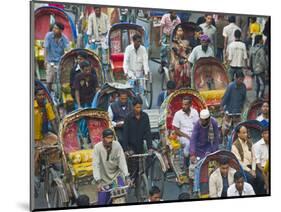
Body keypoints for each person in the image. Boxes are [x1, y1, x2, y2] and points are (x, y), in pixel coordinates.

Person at [93, 128, 131, 205]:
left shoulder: (117, 145)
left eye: (111, 138)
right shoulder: (97, 148)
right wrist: (98, 181)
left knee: (122, 196)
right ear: (103, 138)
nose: (110, 140)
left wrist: (127, 176)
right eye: (108, 138)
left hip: (116, 177)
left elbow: (122, 161)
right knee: (102, 202)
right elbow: (95, 165)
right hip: (103, 180)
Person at [189, 109, 220, 194]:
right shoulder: (197, 124)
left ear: (208, 119)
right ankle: (194, 188)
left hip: (209, 148)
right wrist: (192, 153)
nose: (201, 121)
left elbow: (216, 139)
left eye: (203, 120)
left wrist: (211, 151)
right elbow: (193, 139)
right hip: (198, 149)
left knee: (212, 169)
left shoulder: (213, 123)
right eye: (201, 120)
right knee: (194, 169)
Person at [231, 125, 265, 195]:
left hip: (252, 166)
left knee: (261, 178)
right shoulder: (235, 145)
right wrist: (250, 171)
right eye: (243, 133)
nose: (246, 134)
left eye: (246, 132)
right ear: (238, 134)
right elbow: (239, 162)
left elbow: (254, 157)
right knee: (251, 179)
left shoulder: (250, 142)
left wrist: (253, 169)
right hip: (243, 168)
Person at [34, 87, 58, 177]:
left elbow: (52, 121)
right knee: (35, 160)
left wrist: (58, 134)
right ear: (35, 96)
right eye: (39, 95)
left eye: (43, 95)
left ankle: (52, 162)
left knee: (56, 141)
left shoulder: (47, 105)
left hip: (44, 135)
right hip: (34, 138)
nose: (42, 97)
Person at [44, 22, 70, 92]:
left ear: (61, 31)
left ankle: (60, 95)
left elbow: (68, 50)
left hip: (60, 61)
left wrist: (65, 62)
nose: (54, 30)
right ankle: (48, 94)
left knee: (61, 80)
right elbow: (46, 48)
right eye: (54, 28)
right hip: (50, 60)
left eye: (56, 28)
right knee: (49, 79)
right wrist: (45, 60)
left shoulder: (65, 39)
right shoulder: (48, 35)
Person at [172, 96, 199, 161]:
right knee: (188, 143)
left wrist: (195, 135)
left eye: (186, 105)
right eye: (183, 104)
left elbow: (198, 125)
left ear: (190, 105)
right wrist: (187, 136)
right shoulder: (178, 114)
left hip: (194, 134)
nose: (183, 106)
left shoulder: (194, 112)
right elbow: (176, 130)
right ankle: (186, 159)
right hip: (183, 136)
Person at [250, 35, 268, 100]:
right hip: (261, 69)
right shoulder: (261, 50)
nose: (263, 40)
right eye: (262, 39)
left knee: (257, 83)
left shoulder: (252, 49)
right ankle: (261, 96)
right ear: (260, 40)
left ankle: (257, 96)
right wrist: (266, 68)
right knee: (263, 83)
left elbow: (250, 59)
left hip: (255, 69)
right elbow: (263, 60)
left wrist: (251, 68)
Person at [253, 127, 269, 193]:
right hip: (261, 167)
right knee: (261, 178)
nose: (268, 135)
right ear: (262, 135)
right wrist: (264, 171)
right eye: (265, 133)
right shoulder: (257, 145)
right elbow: (258, 163)